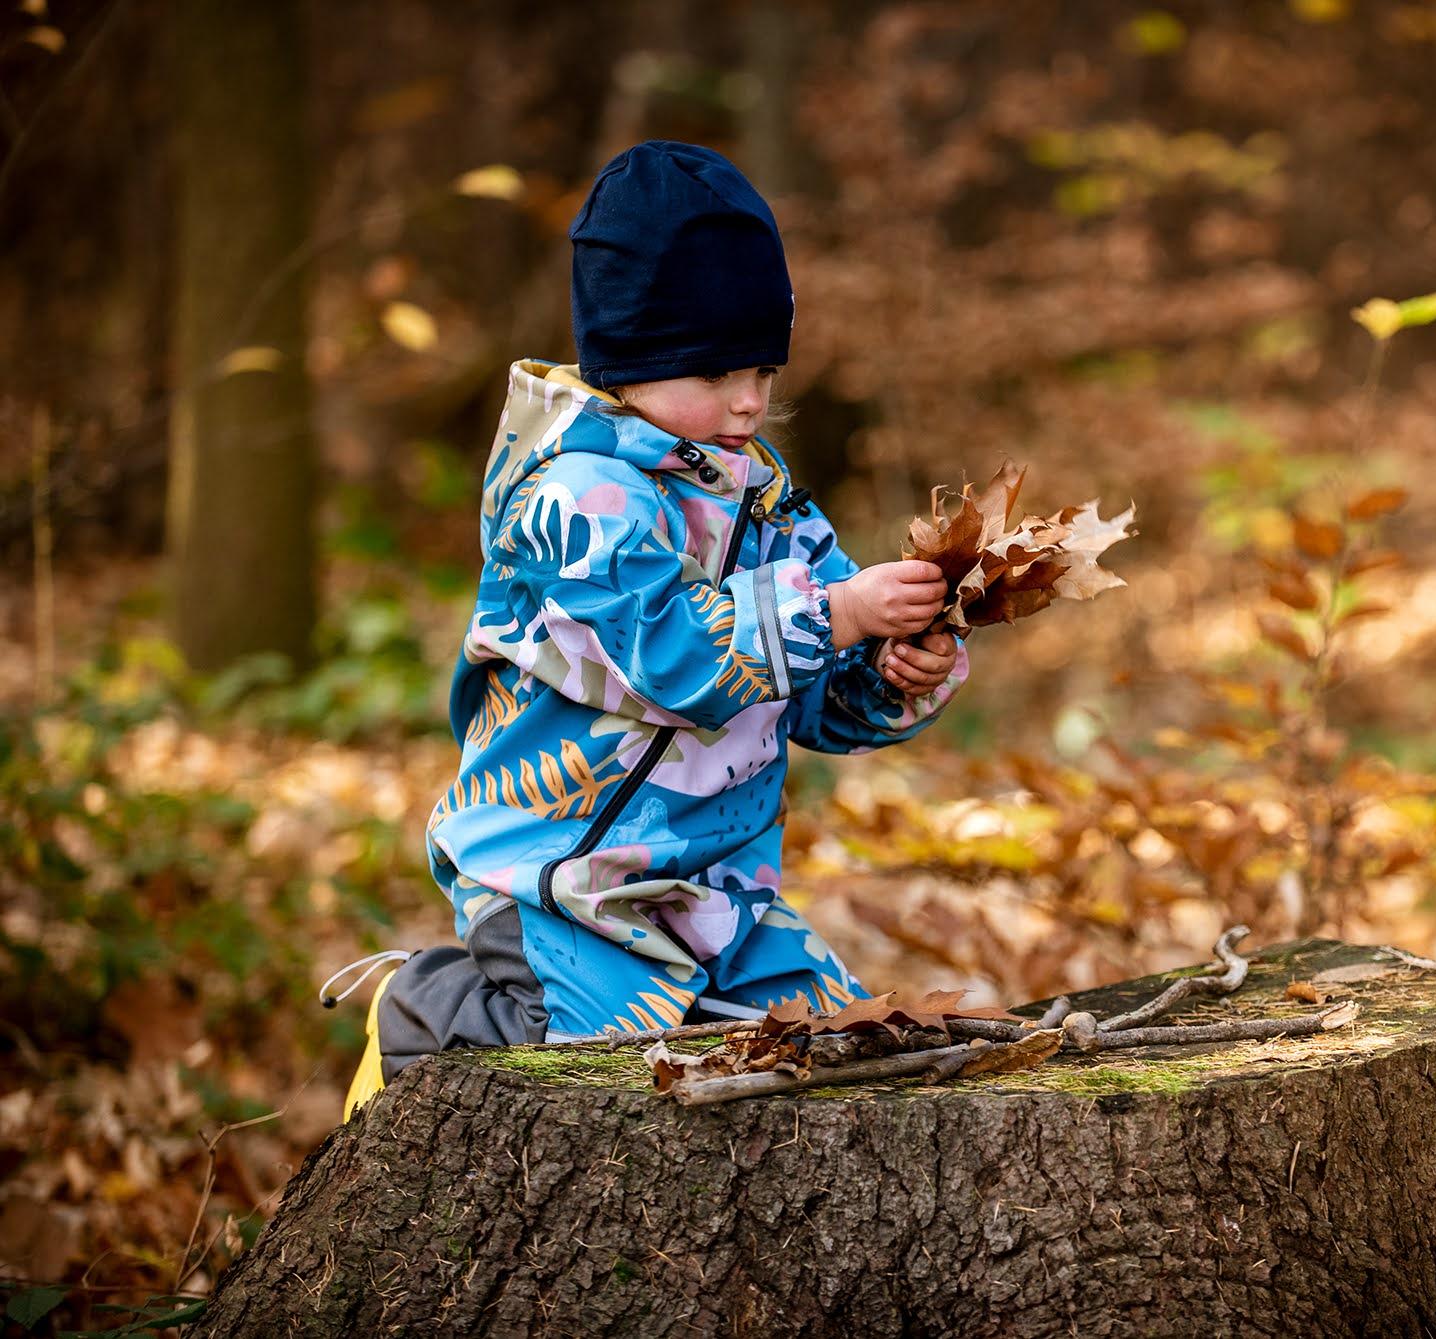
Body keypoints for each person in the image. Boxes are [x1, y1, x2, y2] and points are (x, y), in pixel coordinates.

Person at [325, 141, 968, 1118]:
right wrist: (839, 612)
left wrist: (891, 671)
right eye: (715, 373)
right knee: (605, 1071)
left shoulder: (766, 501)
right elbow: (669, 658)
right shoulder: (576, 497)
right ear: (633, 360)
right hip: (559, 881)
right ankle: (428, 1007)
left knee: (831, 1049)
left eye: (762, 367)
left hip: (718, 892)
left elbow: (813, 694)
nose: (749, 400)